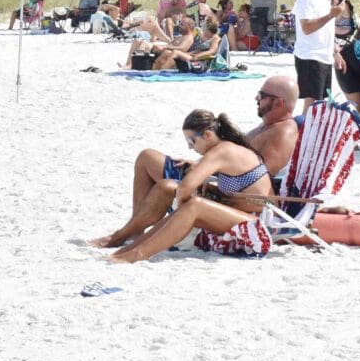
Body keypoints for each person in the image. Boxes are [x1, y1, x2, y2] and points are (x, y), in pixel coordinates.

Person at [89, 76, 300, 251]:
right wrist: (204, 164)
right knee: (147, 158)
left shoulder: (283, 132)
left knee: (154, 168)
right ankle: (135, 230)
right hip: (217, 182)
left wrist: (206, 170)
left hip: (229, 196)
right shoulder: (268, 126)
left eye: (262, 96)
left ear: (279, 102)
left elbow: (260, 174)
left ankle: (125, 234)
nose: (256, 98)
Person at [100, 109, 281, 263]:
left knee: (193, 205)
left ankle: (136, 253)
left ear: (207, 135)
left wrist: (181, 208)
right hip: (241, 212)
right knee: (174, 192)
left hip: (258, 223)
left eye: (191, 142)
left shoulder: (221, 151)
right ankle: (129, 247)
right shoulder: (225, 149)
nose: (190, 147)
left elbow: (185, 188)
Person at [292, 0, 340, 108]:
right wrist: (331, 15)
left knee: (319, 104)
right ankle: (304, 125)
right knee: (312, 104)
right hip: (310, 56)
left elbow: (326, 29)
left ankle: (308, 125)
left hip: (323, 56)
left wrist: (334, 51)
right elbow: (306, 27)